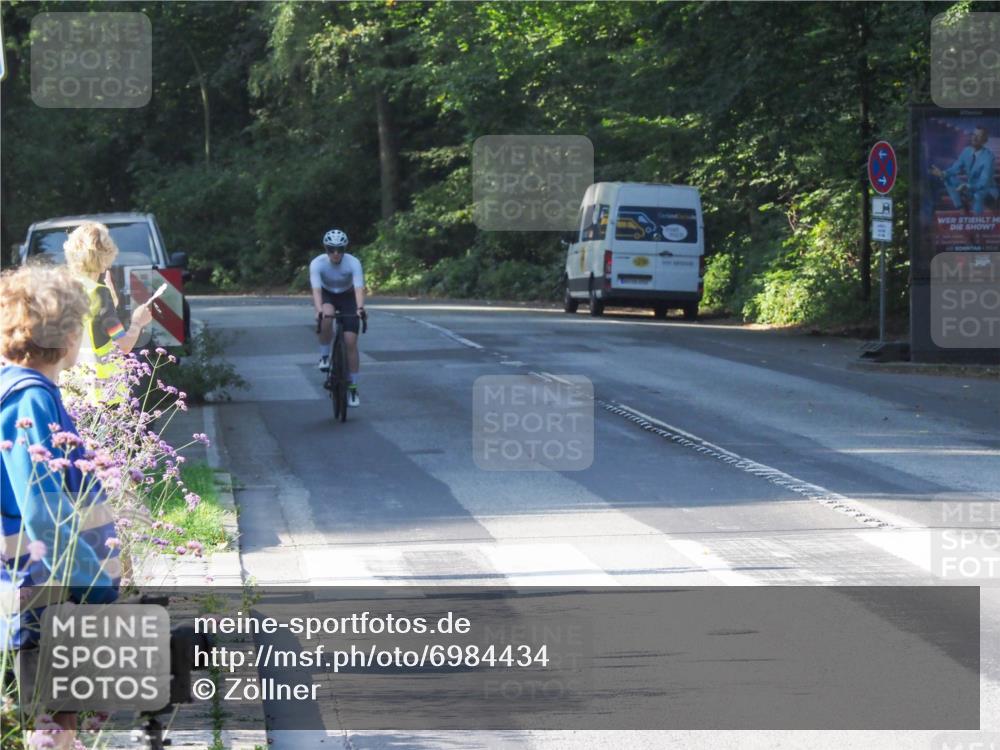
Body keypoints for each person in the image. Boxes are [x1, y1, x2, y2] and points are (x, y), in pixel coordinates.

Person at [1, 265, 120, 743]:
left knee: (55, 717)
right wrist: (95, 584)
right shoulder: (29, 401)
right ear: (71, 336)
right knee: (54, 723)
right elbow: (42, 512)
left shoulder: (28, 390)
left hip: (45, 586)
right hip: (46, 589)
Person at [62, 222, 154, 393]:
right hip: (103, 395)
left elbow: (93, 325)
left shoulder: (64, 289)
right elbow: (124, 345)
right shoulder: (100, 293)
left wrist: (113, 304)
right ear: (104, 258)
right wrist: (137, 322)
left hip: (71, 392)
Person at [310, 229, 366, 407]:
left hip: (348, 296)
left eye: (340, 250)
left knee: (350, 342)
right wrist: (318, 310)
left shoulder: (353, 262)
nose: (335, 254)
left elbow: (358, 288)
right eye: (331, 249)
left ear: (344, 249)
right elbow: (317, 290)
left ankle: (353, 388)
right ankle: (325, 357)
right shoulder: (317, 263)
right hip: (328, 295)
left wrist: (360, 308)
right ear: (326, 249)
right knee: (326, 316)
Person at [931, 126, 999, 215]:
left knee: (978, 196)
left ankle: (978, 220)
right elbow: (955, 168)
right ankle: (960, 207)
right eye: (974, 134)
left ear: (984, 140)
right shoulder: (966, 151)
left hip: (987, 190)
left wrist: (968, 186)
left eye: (979, 136)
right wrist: (943, 173)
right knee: (948, 178)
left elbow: (984, 182)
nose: (974, 138)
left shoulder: (989, 157)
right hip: (970, 188)